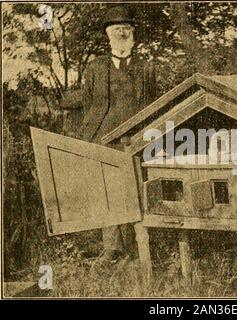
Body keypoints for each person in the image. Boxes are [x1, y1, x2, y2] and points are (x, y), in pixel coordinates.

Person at [60, 6, 157, 261]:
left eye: (126, 29)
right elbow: (90, 104)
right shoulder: (95, 68)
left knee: (134, 190)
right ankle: (112, 249)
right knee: (107, 191)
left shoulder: (146, 68)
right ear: (108, 35)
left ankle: (137, 247)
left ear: (133, 34)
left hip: (135, 138)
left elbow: (152, 103)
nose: (121, 34)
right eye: (116, 30)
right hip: (103, 137)